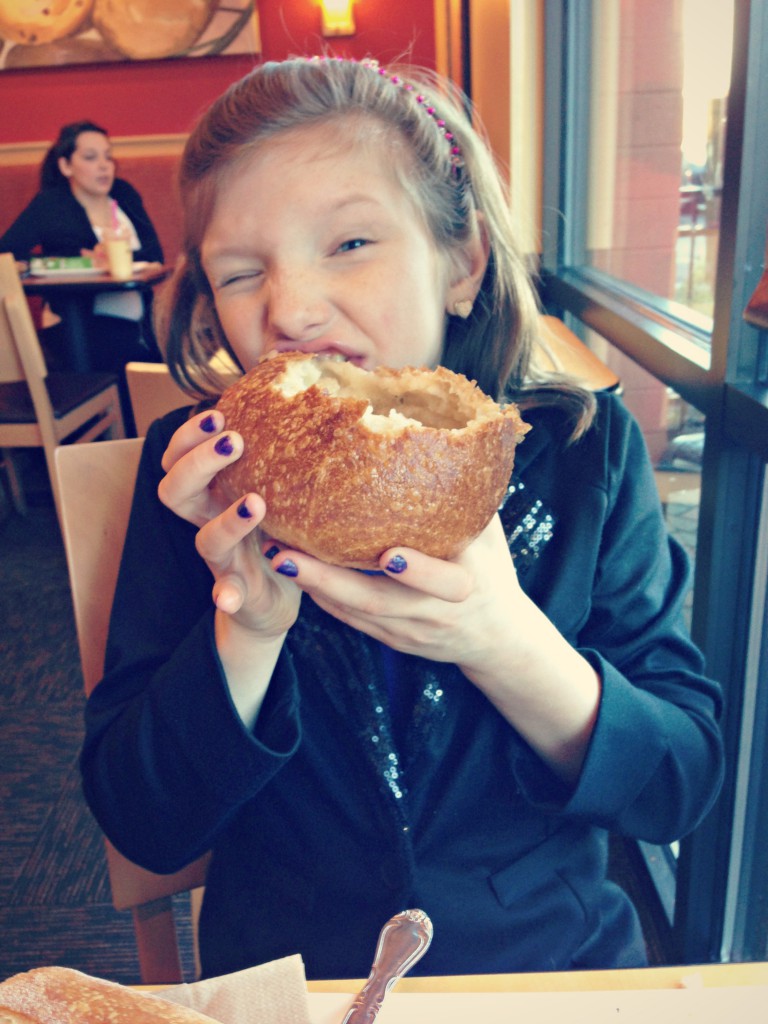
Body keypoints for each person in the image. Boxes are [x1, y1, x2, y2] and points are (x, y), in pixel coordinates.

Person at [79, 57, 724, 980]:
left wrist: (501, 640)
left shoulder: (583, 455)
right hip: (293, 975)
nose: (291, 310)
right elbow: (144, 819)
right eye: (240, 270)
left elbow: (677, 783)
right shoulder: (197, 477)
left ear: (460, 264)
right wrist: (248, 630)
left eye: (349, 244)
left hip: (544, 966)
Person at [0, 120, 164, 430]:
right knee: (123, 353)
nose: (104, 166)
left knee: (152, 354)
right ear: (65, 165)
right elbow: (6, 254)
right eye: (90, 158)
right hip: (76, 324)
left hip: (141, 319)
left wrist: (117, 257)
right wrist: (76, 263)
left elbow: (155, 255)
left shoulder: (124, 194)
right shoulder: (51, 204)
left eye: (108, 156)